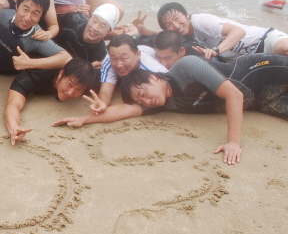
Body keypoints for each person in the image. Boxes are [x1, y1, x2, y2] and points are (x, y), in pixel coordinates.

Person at [53, 54, 288, 165]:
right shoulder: (162, 103)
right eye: (141, 101)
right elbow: (124, 110)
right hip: (262, 102)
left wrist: (233, 142)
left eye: (143, 92)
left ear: (154, 77)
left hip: (266, 72)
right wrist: (85, 119)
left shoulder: (186, 67)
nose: (146, 101)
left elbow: (234, 94)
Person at [4, 58, 97, 145]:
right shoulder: (30, 77)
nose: (70, 93)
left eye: (79, 90)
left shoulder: (89, 81)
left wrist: (102, 104)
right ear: (61, 73)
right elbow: (13, 105)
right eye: (69, 84)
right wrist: (14, 126)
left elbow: (106, 84)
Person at [153, 2, 288, 60]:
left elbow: (239, 31)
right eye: (169, 24)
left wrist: (216, 50)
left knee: (284, 48)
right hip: (248, 59)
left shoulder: (200, 21)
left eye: (177, 18)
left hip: (263, 39)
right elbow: (160, 36)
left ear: (187, 15)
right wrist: (142, 29)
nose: (176, 25)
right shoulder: (181, 37)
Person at [0, 0, 72, 73]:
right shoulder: (3, 15)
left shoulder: (37, 37)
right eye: (25, 9)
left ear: (41, 17)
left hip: (2, 74)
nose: (27, 18)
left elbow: (66, 58)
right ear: (17, 6)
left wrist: (30, 63)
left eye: (35, 14)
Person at [95, 34, 167, 113]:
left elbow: (170, 81)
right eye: (114, 59)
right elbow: (105, 91)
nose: (119, 65)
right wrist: (102, 104)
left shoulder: (151, 66)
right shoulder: (109, 61)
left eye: (124, 58)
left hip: (148, 46)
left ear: (138, 55)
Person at [54, 3, 120, 67]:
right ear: (90, 18)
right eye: (94, 20)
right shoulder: (72, 19)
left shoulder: (100, 55)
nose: (95, 28)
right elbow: (50, 27)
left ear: (108, 32)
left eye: (102, 26)